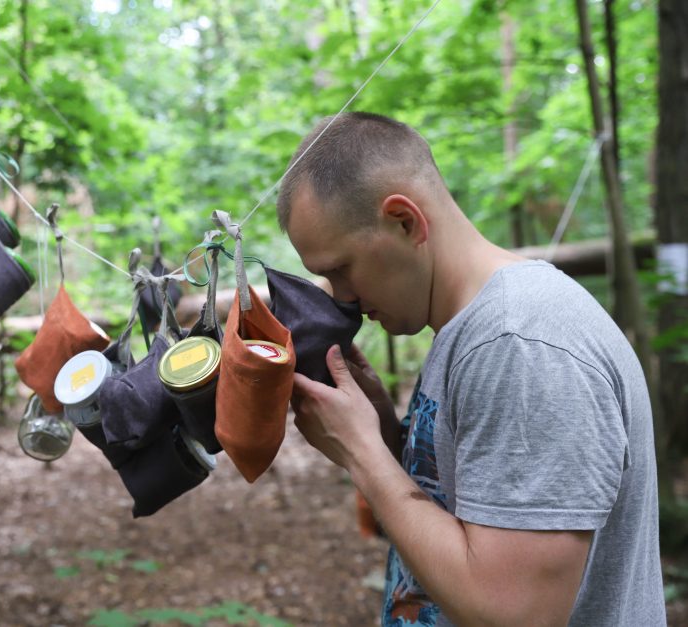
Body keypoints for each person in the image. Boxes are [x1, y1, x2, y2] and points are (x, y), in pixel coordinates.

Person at [277, 112, 665, 626]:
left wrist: (363, 454)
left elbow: (514, 612)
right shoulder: (473, 328)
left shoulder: (520, 344)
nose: (340, 300)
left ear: (405, 221)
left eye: (339, 270)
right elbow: (466, 519)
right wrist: (388, 437)